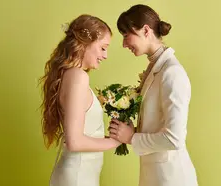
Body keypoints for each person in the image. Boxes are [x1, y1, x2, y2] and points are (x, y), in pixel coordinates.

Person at [109, 4, 198, 186]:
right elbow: (156, 124)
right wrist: (130, 130)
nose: (124, 44)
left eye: (126, 35)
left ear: (146, 30)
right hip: (154, 176)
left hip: (171, 178)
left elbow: (174, 139)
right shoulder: (156, 68)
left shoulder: (172, 72)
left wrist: (131, 138)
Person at [39, 14, 120, 186]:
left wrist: (108, 137)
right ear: (84, 44)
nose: (105, 55)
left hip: (80, 174)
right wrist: (115, 141)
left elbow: (81, 135)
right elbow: (75, 142)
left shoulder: (71, 75)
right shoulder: (78, 77)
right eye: (103, 47)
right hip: (78, 177)